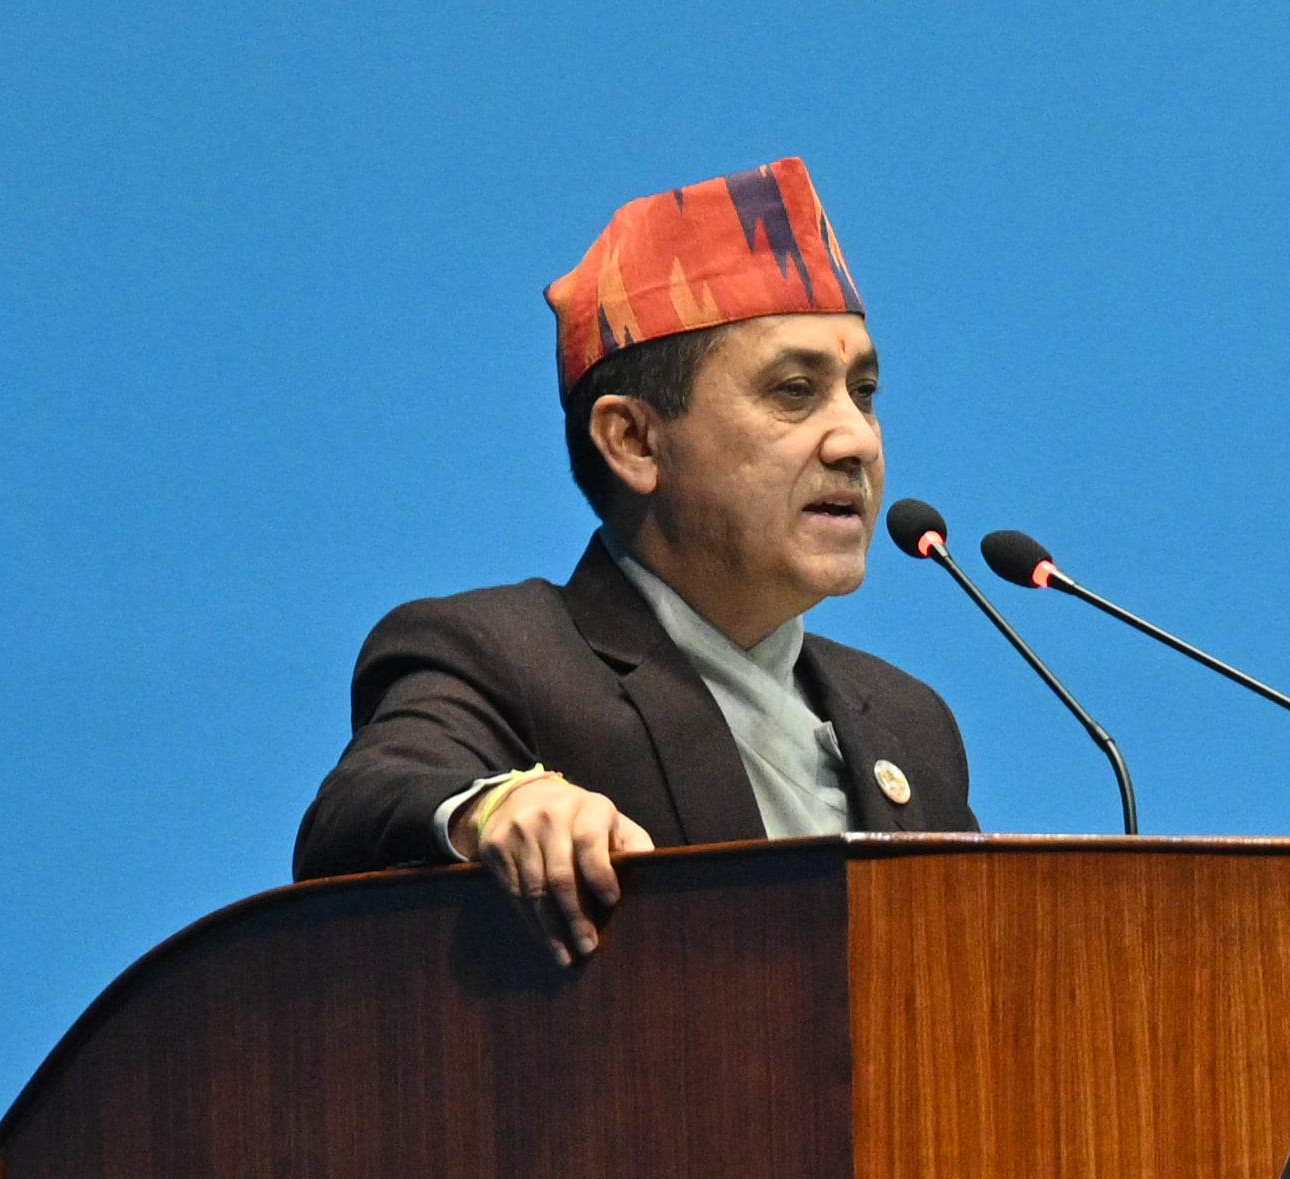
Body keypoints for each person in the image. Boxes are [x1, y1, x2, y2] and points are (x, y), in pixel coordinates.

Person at [293, 157, 978, 964]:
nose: (856, 439)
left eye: (863, 393)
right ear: (634, 442)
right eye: (795, 391)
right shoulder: (499, 656)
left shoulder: (907, 719)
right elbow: (362, 804)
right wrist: (497, 806)